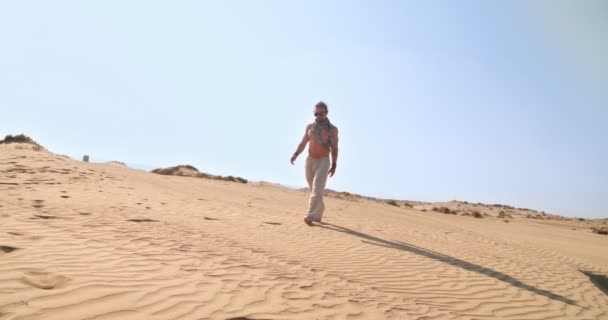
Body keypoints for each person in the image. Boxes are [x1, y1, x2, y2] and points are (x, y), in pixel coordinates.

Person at [290, 101, 339, 225]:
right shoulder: (310, 127)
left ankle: (310, 216)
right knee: (313, 190)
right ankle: (319, 211)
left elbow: (335, 148)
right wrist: (296, 154)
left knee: (317, 190)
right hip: (310, 160)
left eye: (321, 113)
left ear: (326, 113)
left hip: (323, 161)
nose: (318, 116)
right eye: (315, 114)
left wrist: (334, 165)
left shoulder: (333, 130)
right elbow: (303, 143)